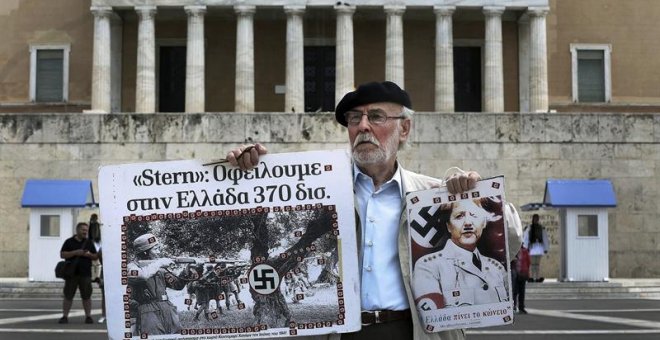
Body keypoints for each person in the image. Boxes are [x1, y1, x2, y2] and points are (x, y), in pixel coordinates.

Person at [226, 81, 522, 340]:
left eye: (376, 117)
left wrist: (479, 195)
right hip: (339, 334)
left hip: (411, 331)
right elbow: (258, 209)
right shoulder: (320, 192)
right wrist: (245, 176)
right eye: (355, 119)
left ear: (404, 128)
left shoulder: (432, 196)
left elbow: (509, 242)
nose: (363, 126)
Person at [412, 198, 509, 309]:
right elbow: (431, 316)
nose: (468, 223)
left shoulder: (496, 267)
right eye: (459, 216)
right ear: (448, 226)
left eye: (474, 215)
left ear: (484, 223)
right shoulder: (428, 267)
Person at [127, 233, 190, 335]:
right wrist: (159, 263)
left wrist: (189, 270)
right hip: (148, 312)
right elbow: (142, 275)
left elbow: (177, 285)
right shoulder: (131, 267)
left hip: (168, 309)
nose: (159, 251)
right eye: (155, 248)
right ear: (145, 252)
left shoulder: (159, 268)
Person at [59, 222, 98, 324]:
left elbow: (95, 256)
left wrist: (89, 255)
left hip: (85, 274)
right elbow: (62, 254)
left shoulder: (89, 242)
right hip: (71, 274)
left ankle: (88, 316)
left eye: (86, 230)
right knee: (68, 296)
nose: (85, 232)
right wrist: (75, 252)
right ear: (77, 230)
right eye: (83, 230)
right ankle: (65, 316)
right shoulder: (69, 242)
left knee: (86, 296)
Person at [88, 213, 105, 323]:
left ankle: (105, 314)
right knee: (104, 294)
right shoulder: (92, 242)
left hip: (103, 267)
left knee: (106, 294)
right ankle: (104, 314)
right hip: (101, 268)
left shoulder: (102, 242)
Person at [523, 214, 549, 282]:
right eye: (535, 218)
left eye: (537, 218)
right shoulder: (529, 227)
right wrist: (525, 247)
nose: (536, 220)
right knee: (532, 264)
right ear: (533, 219)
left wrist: (546, 248)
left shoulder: (541, 228)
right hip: (532, 248)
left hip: (539, 247)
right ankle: (531, 277)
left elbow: (545, 238)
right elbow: (526, 238)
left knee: (537, 264)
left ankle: (537, 277)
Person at [511, 244, 531, 314]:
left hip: (523, 273)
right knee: (514, 292)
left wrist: (527, 272)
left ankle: (521, 308)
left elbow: (528, 262)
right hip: (515, 273)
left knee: (522, 292)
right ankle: (513, 307)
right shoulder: (512, 251)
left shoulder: (525, 251)